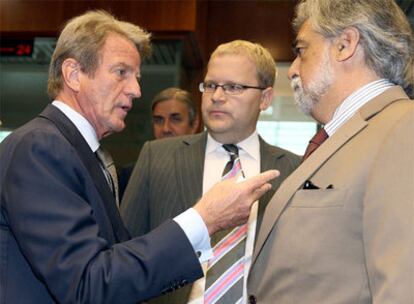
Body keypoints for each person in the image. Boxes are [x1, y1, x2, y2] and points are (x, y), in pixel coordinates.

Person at [0, 11, 280, 304]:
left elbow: (116, 261)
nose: (136, 90)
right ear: (73, 74)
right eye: (121, 72)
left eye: (136, 76)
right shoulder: (41, 147)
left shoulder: (79, 151)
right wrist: (204, 219)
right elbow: (89, 283)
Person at [247, 0, 414, 303]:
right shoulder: (347, 135)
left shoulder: (404, 130)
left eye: (301, 51)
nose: (292, 70)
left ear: (345, 45)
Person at [121, 40, 301, 304]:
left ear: (265, 98)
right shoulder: (157, 157)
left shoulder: (293, 170)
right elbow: (124, 255)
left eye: (233, 87)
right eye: (211, 85)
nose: (217, 96)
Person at [118, 87, 200, 199]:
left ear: (194, 124)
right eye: (159, 120)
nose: (166, 129)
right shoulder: (132, 174)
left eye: (175, 119)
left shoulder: (207, 168)